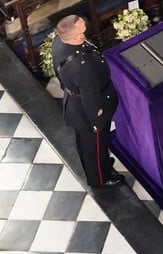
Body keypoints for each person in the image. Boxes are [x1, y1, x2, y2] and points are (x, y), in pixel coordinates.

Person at [52, 14, 124, 189]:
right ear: (76, 36)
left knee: (86, 144)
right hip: (88, 113)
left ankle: (103, 165)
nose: (86, 34)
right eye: (83, 31)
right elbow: (91, 98)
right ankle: (100, 178)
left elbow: (57, 70)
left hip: (74, 105)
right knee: (95, 148)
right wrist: (97, 122)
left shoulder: (59, 42)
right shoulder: (82, 66)